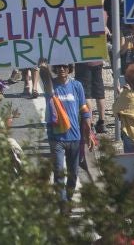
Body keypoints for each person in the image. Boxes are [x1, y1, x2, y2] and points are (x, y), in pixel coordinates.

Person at [43, 63, 91, 202]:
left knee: (73, 174)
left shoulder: (77, 86)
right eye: (59, 67)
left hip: (74, 136)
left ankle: (68, 199)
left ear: (70, 68)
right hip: (56, 138)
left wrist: (88, 133)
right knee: (58, 173)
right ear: (55, 69)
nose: (62, 69)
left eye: (64, 66)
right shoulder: (51, 86)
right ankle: (63, 204)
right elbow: (45, 79)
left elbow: (84, 110)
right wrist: (44, 68)